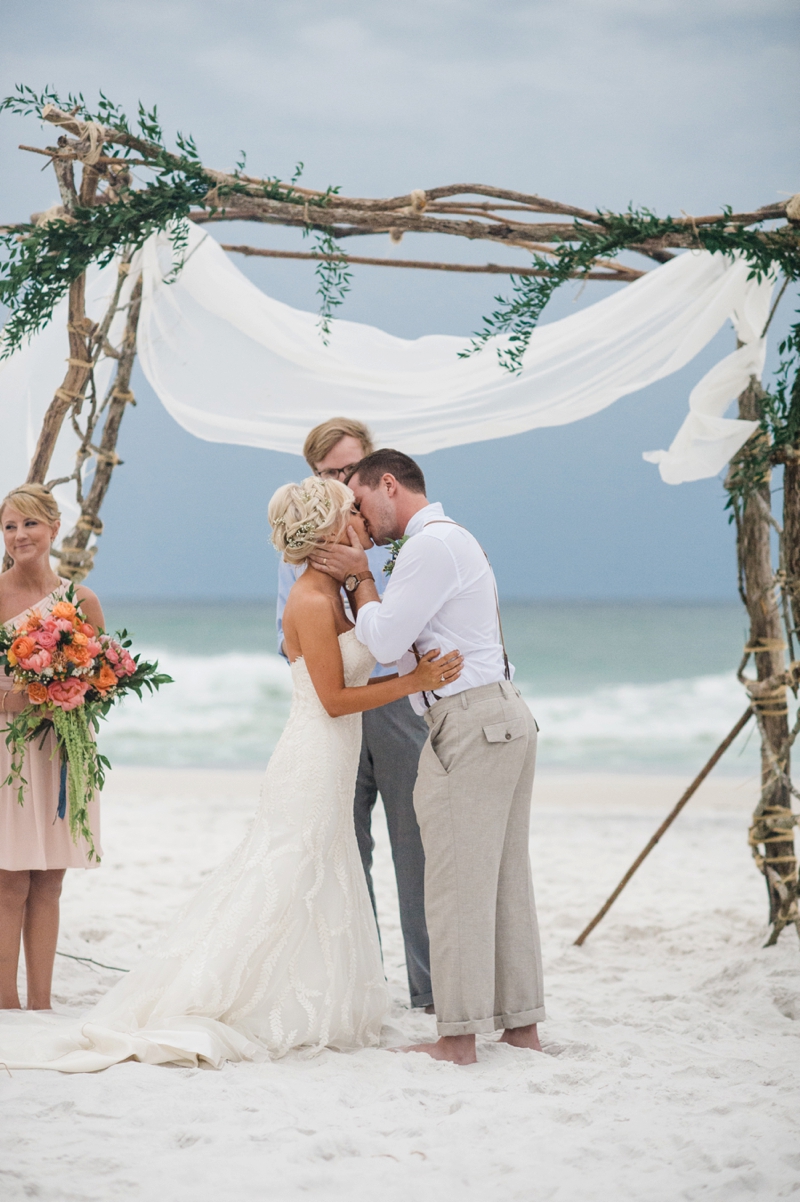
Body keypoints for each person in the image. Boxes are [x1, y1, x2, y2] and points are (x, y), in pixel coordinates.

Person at [0, 477, 462, 1069]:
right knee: (282, 873)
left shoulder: (336, 594)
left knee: (319, 873)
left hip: (331, 755)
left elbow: (367, 656)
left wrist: (373, 597)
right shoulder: (312, 601)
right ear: (326, 527)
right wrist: (417, 683)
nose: (363, 519)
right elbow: (334, 699)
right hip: (313, 755)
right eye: (352, 511)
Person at [309, 450, 545, 1066]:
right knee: (502, 880)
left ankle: (457, 1037)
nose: (359, 515)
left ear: (389, 485)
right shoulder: (450, 541)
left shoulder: (428, 546)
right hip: (498, 715)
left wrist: (361, 578)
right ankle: (520, 1028)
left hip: (470, 722)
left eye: (360, 500)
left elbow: (384, 641)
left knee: (455, 882)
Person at [277, 418, 433, 1012]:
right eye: (328, 473)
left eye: (349, 469)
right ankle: (363, 984)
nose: (343, 482)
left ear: (372, 469)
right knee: (344, 849)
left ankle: (429, 989)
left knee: (413, 845)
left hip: (392, 710)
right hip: (330, 715)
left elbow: (405, 633)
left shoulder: (397, 544)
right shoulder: (299, 558)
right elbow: (288, 638)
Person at [0, 483, 105, 1012]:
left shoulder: (80, 601)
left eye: (29, 524)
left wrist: (70, 692)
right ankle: (6, 1003)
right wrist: (25, 695)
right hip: (9, 754)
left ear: (54, 528)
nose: (20, 535)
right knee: (9, 879)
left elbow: (101, 681)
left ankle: (40, 1004)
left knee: (49, 880)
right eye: (10, 526)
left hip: (62, 752)